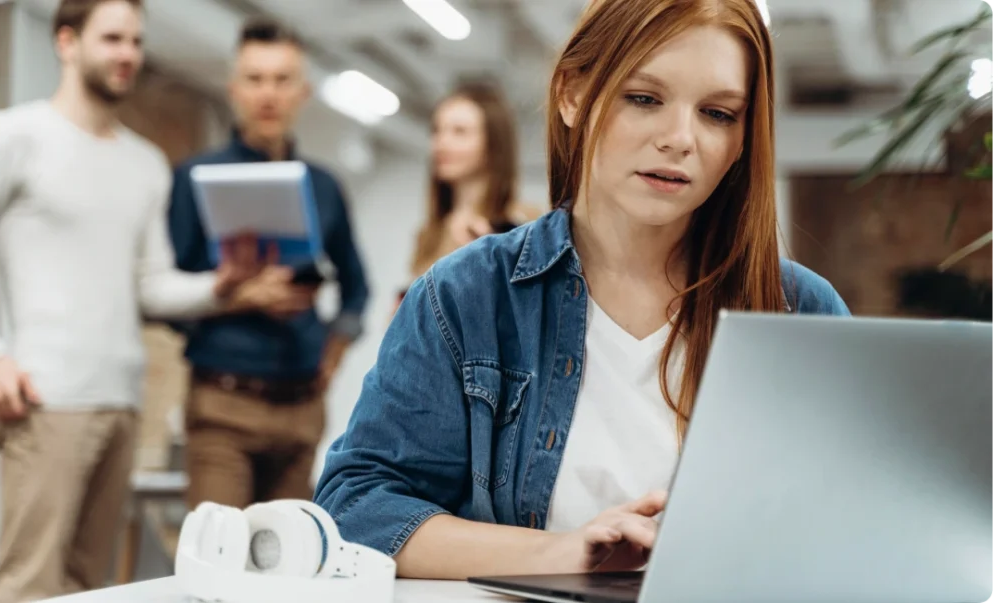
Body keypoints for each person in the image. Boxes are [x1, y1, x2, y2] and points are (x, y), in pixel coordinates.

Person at [315, 0, 850, 580]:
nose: (679, 139)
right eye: (644, 99)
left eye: (718, 113)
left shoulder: (801, 311)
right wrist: (568, 553)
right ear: (573, 94)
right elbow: (356, 506)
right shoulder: (466, 296)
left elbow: (865, 515)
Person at [0, 1, 280, 601]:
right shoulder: (14, 136)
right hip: (44, 400)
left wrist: (222, 286)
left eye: (136, 41)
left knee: (92, 591)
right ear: (66, 41)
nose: (127, 54)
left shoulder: (144, 164)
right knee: (27, 586)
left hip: (121, 403)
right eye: (111, 38)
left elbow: (151, 287)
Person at [167, 18, 370, 511]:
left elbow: (357, 287)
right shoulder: (196, 177)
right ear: (234, 88)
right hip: (223, 405)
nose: (268, 94)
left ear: (303, 91)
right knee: (221, 568)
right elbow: (165, 297)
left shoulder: (324, 186)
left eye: (282, 80)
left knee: (285, 567)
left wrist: (335, 347)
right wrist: (238, 295)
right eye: (255, 79)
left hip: (301, 410)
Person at [395, 83, 543, 308]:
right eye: (437, 130)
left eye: (459, 132)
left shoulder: (523, 224)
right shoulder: (429, 232)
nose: (441, 143)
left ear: (494, 144)